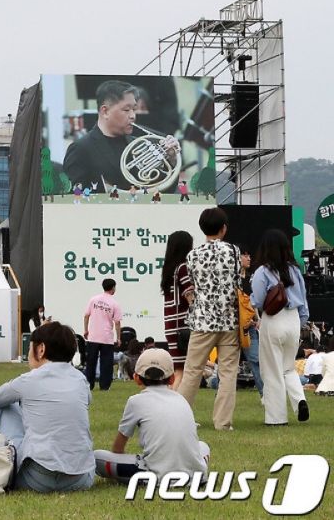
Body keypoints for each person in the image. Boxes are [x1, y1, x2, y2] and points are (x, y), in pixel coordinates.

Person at [0, 321, 94, 493]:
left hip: (36, 479)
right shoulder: (80, 380)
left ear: (41, 349)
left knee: (6, 409)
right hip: (80, 479)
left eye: (30, 348)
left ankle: (5, 462)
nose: (29, 353)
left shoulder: (28, 380)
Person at [94, 348, 210, 484]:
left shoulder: (135, 401)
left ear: (136, 378)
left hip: (156, 476)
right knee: (203, 446)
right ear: (172, 378)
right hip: (195, 477)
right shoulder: (181, 399)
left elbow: (118, 448)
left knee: (96, 457)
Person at [177, 207, 241, 431]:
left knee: (193, 370)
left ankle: (180, 419)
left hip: (202, 319)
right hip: (229, 320)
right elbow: (238, 283)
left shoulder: (192, 255)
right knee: (227, 372)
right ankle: (223, 423)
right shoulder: (233, 251)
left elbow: (193, 285)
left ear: (203, 229)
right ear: (224, 229)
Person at [64, 80, 179, 193]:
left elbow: (162, 191)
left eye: (134, 109)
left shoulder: (139, 145)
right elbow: (73, 199)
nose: (133, 116)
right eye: (126, 110)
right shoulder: (80, 149)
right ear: (105, 112)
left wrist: (171, 161)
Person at [251, 229, 310, 425]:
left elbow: (259, 301)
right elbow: (303, 302)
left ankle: (276, 418)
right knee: (288, 368)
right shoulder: (295, 270)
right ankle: (300, 400)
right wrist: (300, 322)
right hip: (293, 320)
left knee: (272, 371)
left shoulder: (262, 272)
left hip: (273, 319)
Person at [161, 230, 195, 389]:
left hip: (171, 324)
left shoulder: (169, 268)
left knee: (178, 367)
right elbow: (190, 295)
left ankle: (171, 397)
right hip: (181, 324)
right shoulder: (183, 268)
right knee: (182, 369)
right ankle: (176, 400)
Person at [83, 278, 122, 391]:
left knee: (91, 362)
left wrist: (86, 330)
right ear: (113, 288)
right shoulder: (114, 303)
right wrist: (118, 337)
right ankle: (104, 386)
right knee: (106, 363)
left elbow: (86, 315)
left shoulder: (93, 299)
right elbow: (117, 322)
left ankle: (89, 385)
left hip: (93, 336)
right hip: (106, 338)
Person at [239, 247, 264, 395]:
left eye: (249, 255)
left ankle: (264, 394)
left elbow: (251, 302)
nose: (249, 258)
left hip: (250, 327)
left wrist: (257, 319)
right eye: (245, 255)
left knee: (255, 360)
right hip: (233, 326)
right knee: (227, 364)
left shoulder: (250, 279)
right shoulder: (231, 279)